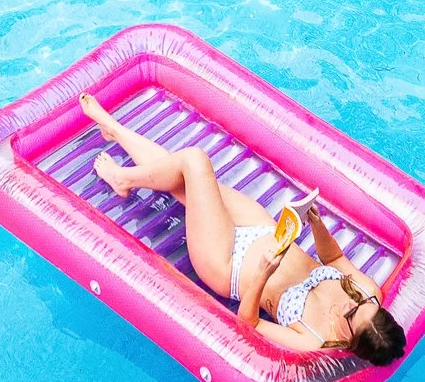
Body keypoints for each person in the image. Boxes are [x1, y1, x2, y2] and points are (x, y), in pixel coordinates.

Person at [82, 93, 407, 365]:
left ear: (349, 339)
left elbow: (248, 322)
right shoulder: (368, 293)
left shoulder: (314, 340)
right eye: (364, 304)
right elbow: (334, 260)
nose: (353, 302)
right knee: (184, 180)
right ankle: (114, 130)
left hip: (228, 265)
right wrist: (316, 222)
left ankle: (123, 179)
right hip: (262, 230)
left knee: (194, 162)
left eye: (351, 312)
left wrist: (263, 274)